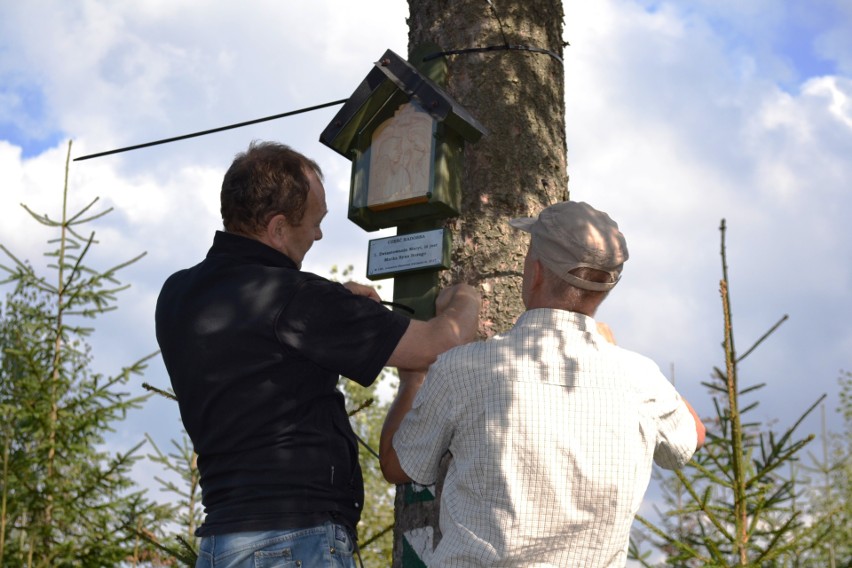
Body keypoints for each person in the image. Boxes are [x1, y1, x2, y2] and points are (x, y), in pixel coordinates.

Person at [155, 141, 480, 568]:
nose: (319, 234)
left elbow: (262, 347)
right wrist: (466, 298)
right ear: (277, 228)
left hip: (223, 542)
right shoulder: (298, 299)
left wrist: (336, 307)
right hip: (293, 540)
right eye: (314, 222)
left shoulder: (178, 294)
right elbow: (441, 345)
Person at [380, 201, 706, 567]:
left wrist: (414, 380)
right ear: (606, 289)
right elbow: (691, 436)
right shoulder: (641, 378)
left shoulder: (462, 369)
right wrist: (616, 354)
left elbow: (397, 465)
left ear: (534, 272)